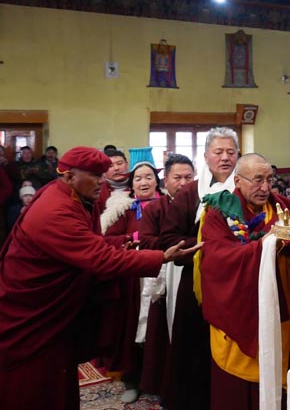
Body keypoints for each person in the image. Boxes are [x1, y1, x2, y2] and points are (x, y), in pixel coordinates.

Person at [0, 147, 201, 410]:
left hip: (54, 313)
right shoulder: (54, 210)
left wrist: (120, 241)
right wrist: (160, 257)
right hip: (31, 311)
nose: (102, 181)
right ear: (69, 176)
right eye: (95, 175)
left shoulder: (75, 197)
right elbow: (99, 259)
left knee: (58, 378)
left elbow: (92, 242)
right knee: (34, 386)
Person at [197, 154, 290, 410]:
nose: (265, 188)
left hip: (280, 301)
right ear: (238, 181)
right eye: (257, 180)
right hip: (238, 307)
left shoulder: (283, 207)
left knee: (276, 360)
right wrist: (266, 245)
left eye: (269, 179)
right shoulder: (219, 212)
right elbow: (217, 259)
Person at [159, 127, 240, 410]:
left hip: (237, 283)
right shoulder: (190, 193)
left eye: (231, 152)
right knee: (194, 347)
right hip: (198, 284)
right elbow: (168, 238)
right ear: (206, 156)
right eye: (218, 152)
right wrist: (212, 245)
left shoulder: (245, 188)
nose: (225, 158)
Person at [100, 161, 164, 403]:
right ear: (131, 184)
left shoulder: (168, 205)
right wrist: (130, 239)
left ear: (157, 181)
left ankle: (157, 379)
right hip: (131, 279)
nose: (144, 182)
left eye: (148, 177)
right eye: (138, 178)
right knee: (131, 327)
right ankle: (132, 379)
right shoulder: (121, 208)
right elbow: (107, 240)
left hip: (161, 273)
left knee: (157, 327)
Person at [137, 154, 195, 406]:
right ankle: (161, 383)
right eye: (177, 178)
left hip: (193, 270)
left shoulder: (200, 203)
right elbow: (147, 241)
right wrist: (173, 244)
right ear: (166, 180)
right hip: (165, 272)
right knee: (163, 332)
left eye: (188, 177)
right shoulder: (156, 208)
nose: (183, 183)